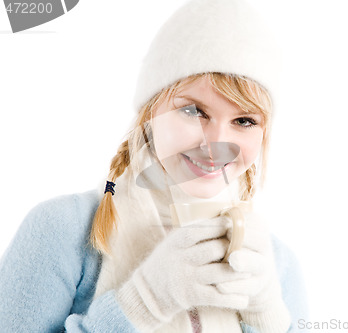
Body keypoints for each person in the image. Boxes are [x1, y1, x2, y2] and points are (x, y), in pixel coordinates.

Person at [0, 0, 308, 332]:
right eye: (193, 111)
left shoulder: (277, 264)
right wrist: (142, 303)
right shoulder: (60, 229)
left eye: (244, 120)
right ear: (150, 113)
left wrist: (268, 316)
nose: (216, 144)